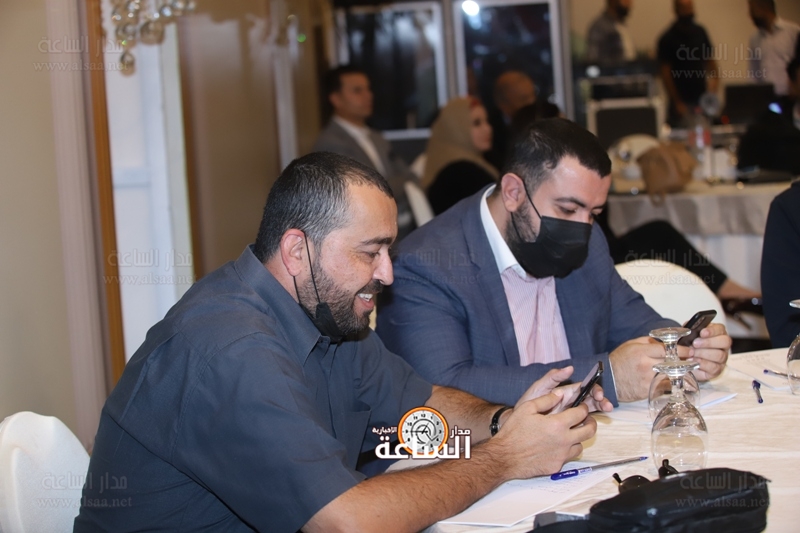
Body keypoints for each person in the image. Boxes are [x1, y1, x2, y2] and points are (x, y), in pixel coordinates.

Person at [73, 151, 610, 532]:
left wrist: (505, 423)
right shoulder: (229, 349)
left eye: (388, 250)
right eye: (369, 252)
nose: (387, 273)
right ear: (297, 251)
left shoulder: (330, 315)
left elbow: (418, 411)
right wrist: (504, 457)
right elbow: (347, 522)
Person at [376, 119, 731, 407]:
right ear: (513, 192)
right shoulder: (426, 265)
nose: (582, 228)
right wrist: (604, 377)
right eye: (567, 209)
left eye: (594, 213)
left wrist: (685, 348)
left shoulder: (588, 241)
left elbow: (636, 323)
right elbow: (441, 389)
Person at [312, 65, 417, 239]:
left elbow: (410, 176)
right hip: (362, 235)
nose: (368, 95)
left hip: (399, 226)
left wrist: (393, 184)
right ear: (336, 99)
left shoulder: (377, 137)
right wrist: (397, 184)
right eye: (357, 90)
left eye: (368, 89)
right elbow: (367, 191)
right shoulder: (331, 143)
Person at [422, 97, 499, 215]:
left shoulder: (462, 162)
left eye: (487, 121)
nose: (488, 128)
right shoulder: (460, 173)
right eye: (477, 123)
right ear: (455, 129)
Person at [657, 0, 719, 126]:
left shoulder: (700, 33)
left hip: (701, 101)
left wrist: (714, 85)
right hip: (681, 104)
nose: (688, 12)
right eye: (684, 8)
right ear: (676, 10)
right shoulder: (667, 38)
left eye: (690, 7)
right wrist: (677, 102)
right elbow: (665, 74)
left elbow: (711, 63)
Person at [486, 71, 537, 170]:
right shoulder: (491, 130)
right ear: (503, 103)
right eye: (524, 99)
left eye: (533, 96)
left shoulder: (539, 117)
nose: (531, 103)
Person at [748, 0, 799, 96]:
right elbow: (754, 74)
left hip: (790, 95)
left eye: (752, 9)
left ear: (763, 7)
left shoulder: (793, 32)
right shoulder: (755, 39)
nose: (750, 15)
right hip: (766, 97)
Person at [586, 0, 636, 64]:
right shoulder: (600, 27)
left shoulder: (621, 26)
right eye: (626, 1)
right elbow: (593, 59)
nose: (630, 5)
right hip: (614, 69)